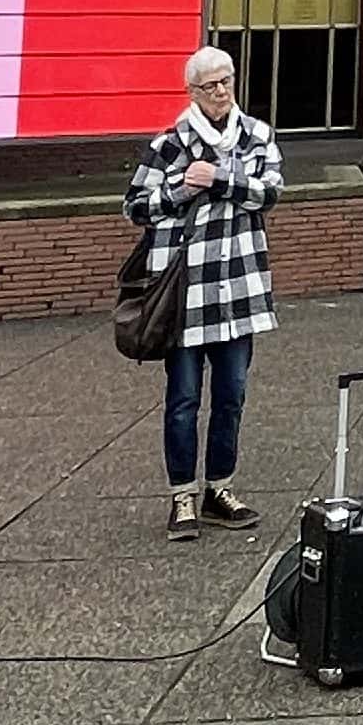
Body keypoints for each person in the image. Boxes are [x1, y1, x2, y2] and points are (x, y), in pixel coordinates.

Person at [127, 46, 284, 540]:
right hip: (186, 292)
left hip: (239, 287)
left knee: (232, 396)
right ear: (192, 91)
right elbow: (134, 206)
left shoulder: (257, 135)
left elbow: (271, 191)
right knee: (183, 398)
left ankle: (221, 489)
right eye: (210, 85)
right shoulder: (169, 144)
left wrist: (219, 178)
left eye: (226, 81)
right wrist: (180, 191)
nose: (220, 92)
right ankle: (182, 498)